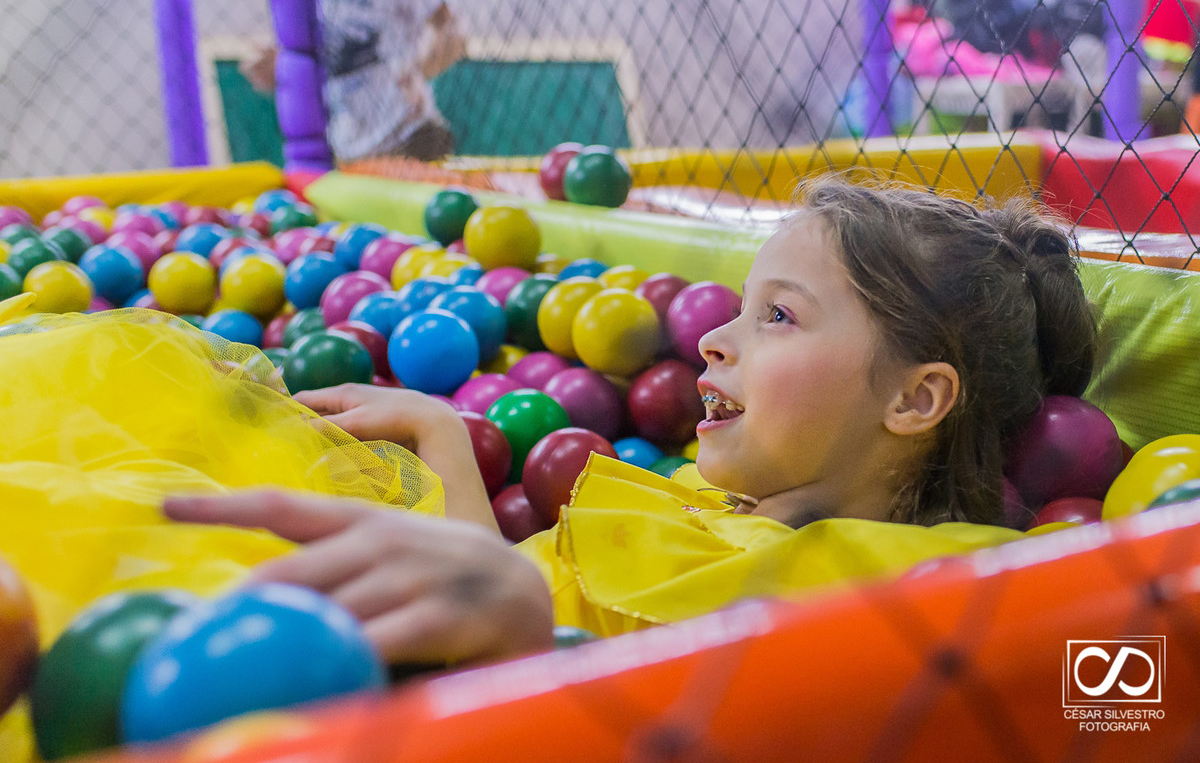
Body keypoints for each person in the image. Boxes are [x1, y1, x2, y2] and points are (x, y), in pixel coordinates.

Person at [164, 178, 1098, 667]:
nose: (716, 342)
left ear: (914, 399)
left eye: (778, 315)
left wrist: (522, 650)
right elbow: (496, 593)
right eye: (735, 308)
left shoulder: (927, 589)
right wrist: (447, 440)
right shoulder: (701, 496)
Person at [243, 0, 465, 162]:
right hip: (344, 149)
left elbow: (452, 29)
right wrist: (284, 68)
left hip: (408, 139)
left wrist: (418, 69)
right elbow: (327, 49)